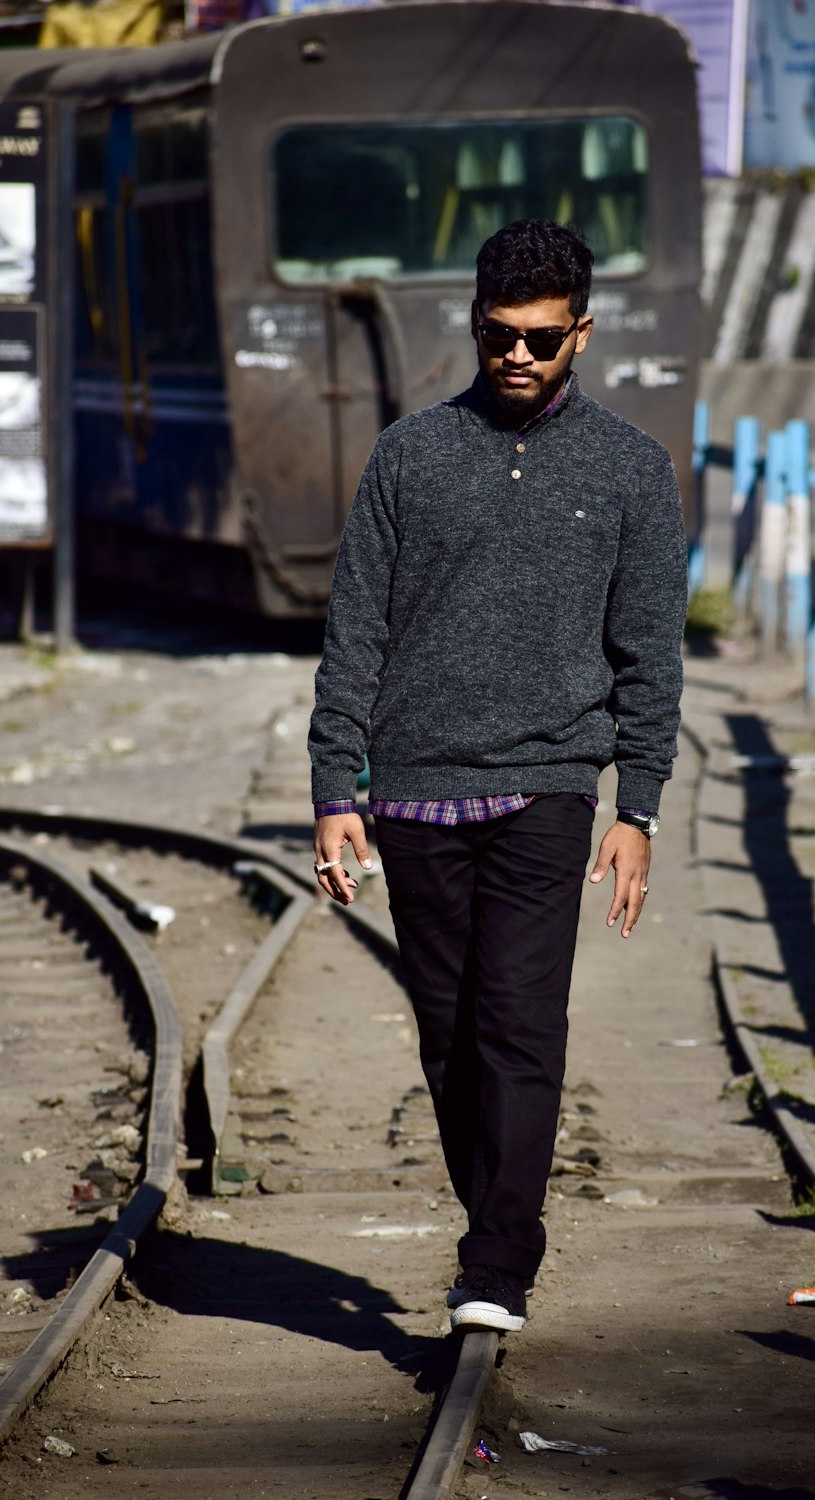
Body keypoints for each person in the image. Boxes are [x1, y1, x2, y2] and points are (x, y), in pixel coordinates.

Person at [309, 218, 686, 1335]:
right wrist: (337, 789)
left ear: (581, 332)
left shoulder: (628, 470)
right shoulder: (408, 456)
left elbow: (649, 654)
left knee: (520, 1022)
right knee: (450, 1031)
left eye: (540, 337)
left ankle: (496, 1261)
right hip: (415, 791)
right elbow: (354, 637)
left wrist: (640, 806)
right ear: (472, 326)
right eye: (497, 336)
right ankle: (497, 1217)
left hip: (549, 789)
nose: (517, 356)